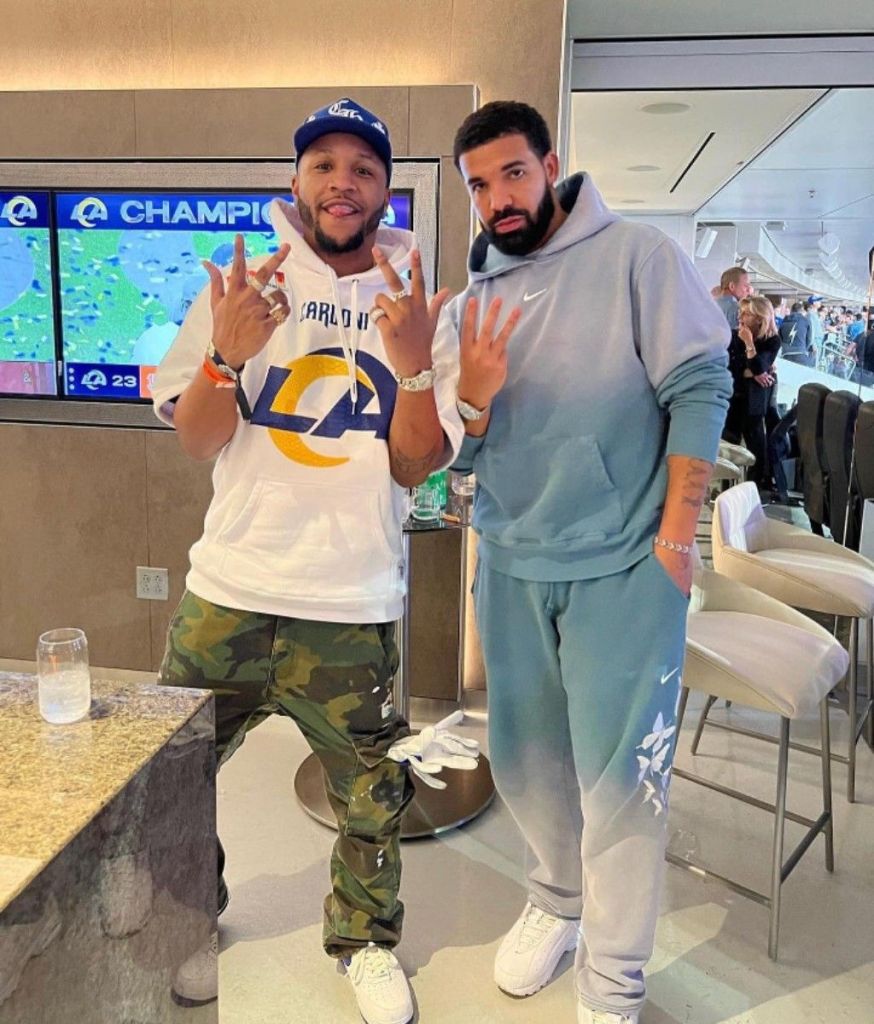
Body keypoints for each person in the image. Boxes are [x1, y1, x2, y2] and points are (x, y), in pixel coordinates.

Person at [150, 97, 489, 1024]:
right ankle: (190, 921)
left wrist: (415, 363)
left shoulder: (415, 295)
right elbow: (195, 440)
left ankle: (366, 942)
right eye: (324, 164)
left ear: (386, 189)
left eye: (364, 168)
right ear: (296, 179)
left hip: (351, 595)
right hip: (230, 588)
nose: (343, 182)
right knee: (170, 778)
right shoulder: (240, 283)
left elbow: (416, 464)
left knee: (370, 792)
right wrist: (225, 358)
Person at [448, 101, 732, 1024]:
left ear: (551, 164)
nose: (498, 197)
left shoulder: (639, 258)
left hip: (626, 566)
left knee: (622, 782)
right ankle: (555, 902)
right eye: (480, 184)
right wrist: (475, 405)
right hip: (514, 559)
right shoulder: (472, 296)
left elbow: (700, 387)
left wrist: (679, 534)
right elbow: (456, 450)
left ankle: (614, 973)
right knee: (525, 761)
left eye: (512, 173)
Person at [734, 295, 781, 492]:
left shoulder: (772, 340)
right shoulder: (732, 336)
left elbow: (760, 366)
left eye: (747, 314)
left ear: (760, 318)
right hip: (733, 398)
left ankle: (753, 489)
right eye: (741, 312)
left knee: (756, 449)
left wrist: (749, 345)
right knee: (731, 444)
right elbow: (731, 367)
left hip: (755, 402)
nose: (741, 317)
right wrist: (752, 372)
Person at [778, 301, 813, 366]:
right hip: (800, 353)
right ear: (801, 311)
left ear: (791, 310)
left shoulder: (784, 321)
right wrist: (804, 349)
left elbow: (779, 338)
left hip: (786, 354)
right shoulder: (806, 321)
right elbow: (809, 339)